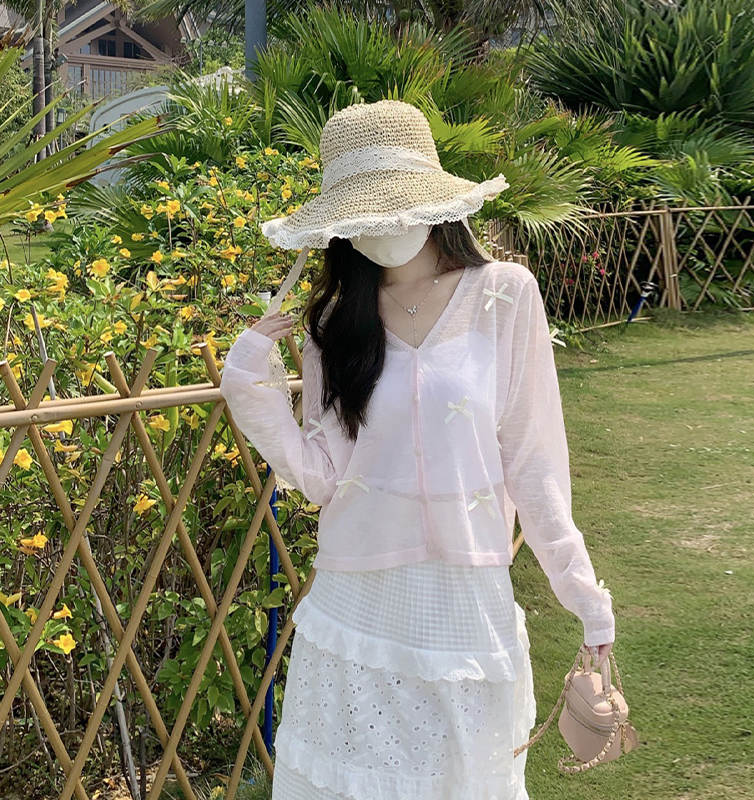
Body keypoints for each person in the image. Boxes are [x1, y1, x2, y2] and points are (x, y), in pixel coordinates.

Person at [219, 99, 615, 800]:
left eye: (397, 208)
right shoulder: (335, 325)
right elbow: (321, 478)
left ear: (436, 204)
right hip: (356, 603)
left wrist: (584, 595)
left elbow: (533, 462)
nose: (383, 229)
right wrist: (247, 382)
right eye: (363, 217)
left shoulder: (503, 295)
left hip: (466, 602)